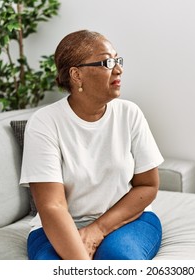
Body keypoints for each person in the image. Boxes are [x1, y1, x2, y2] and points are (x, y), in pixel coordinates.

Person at [20, 30, 164, 260]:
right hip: (57, 226)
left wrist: (97, 230)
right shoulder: (45, 122)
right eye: (107, 62)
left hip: (128, 220)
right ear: (76, 75)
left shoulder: (130, 113)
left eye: (117, 60)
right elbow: (52, 206)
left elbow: (148, 186)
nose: (119, 69)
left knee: (118, 260)